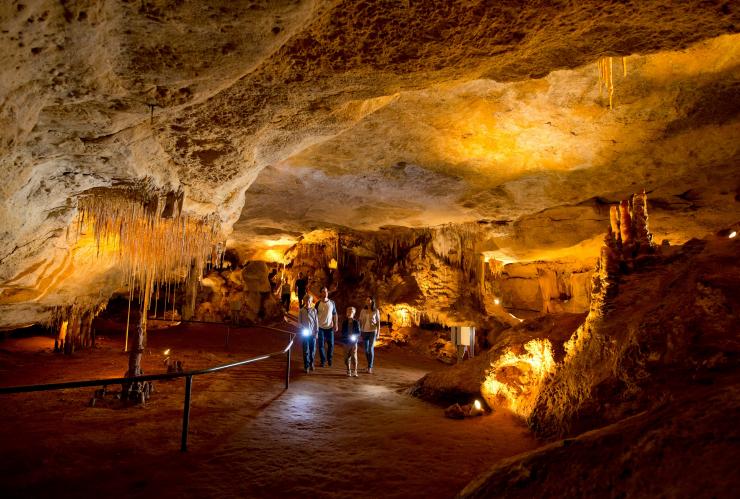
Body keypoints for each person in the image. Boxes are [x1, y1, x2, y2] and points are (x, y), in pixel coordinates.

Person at [315, 286, 338, 367]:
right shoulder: (318, 304)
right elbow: (315, 316)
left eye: (326, 291)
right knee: (321, 345)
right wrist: (315, 327)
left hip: (329, 328)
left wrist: (336, 324)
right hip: (320, 327)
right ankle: (323, 360)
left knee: (331, 345)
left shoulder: (332, 303)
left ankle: (330, 359)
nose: (325, 293)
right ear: (321, 293)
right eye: (323, 292)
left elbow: (335, 314)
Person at [358, 296, 380, 374]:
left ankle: (370, 367)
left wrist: (378, 333)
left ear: (372, 301)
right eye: (366, 300)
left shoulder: (376, 311)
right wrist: (359, 331)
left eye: (369, 300)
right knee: (366, 350)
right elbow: (360, 321)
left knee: (370, 348)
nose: (367, 301)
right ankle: (368, 365)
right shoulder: (363, 311)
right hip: (364, 331)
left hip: (372, 331)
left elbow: (378, 322)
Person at [298, 295, 318, 373]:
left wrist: (316, 332)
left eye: (309, 300)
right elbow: (299, 322)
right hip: (305, 333)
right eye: (306, 300)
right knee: (306, 350)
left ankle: (311, 363)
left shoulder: (314, 310)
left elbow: (316, 322)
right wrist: (302, 328)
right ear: (304, 301)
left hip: (312, 333)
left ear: (311, 301)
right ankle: (306, 366)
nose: (308, 302)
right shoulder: (301, 310)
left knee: (312, 350)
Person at [340, 307, 361, 377]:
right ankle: (348, 369)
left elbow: (358, 332)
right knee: (346, 357)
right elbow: (342, 332)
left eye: (351, 311)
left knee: (354, 357)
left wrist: (354, 336)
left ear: (354, 313)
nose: (350, 313)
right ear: (346, 313)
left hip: (353, 342)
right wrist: (345, 337)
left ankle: (355, 370)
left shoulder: (356, 322)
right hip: (346, 342)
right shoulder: (344, 322)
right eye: (348, 311)